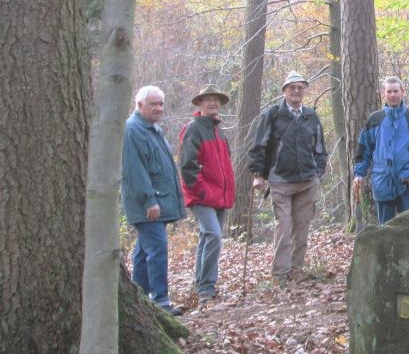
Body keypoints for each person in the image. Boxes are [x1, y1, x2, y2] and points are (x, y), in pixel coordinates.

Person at [248, 71, 328, 283]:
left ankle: (296, 271)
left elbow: (320, 148)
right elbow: (259, 145)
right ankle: (280, 275)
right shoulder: (272, 114)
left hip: (307, 182)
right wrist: (257, 174)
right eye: (291, 87)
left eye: (300, 87)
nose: (296, 91)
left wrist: (318, 172)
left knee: (301, 230)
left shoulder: (311, 115)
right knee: (283, 229)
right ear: (284, 91)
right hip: (280, 182)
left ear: (304, 91)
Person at [122, 85, 186, 315]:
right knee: (157, 248)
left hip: (159, 201)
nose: (159, 108)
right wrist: (149, 201)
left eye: (161, 104)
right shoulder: (132, 130)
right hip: (147, 205)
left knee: (142, 252)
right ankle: (160, 301)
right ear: (139, 105)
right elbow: (134, 171)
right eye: (153, 104)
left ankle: (140, 300)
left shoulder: (152, 129)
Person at [178, 84, 235, 303]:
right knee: (214, 235)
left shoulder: (218, 129)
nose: (212, 103)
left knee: (206, 237)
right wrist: (200, 191)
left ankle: (201, 284)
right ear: (199, 104)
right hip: (202, 196)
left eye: (216, 99)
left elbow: (224, 163)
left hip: (219, 196)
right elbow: (187, 165)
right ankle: (206, 287)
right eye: (207, 99)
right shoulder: (193, 128)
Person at [353, 77, 409, 224]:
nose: (392, 95)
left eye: (396, 91)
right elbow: (363, 149)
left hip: (407, 183)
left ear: (402, 92)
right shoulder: (375, 120)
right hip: (381, 182)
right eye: (389, 91)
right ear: (383, 93)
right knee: (385, 230)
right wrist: (359, 173)